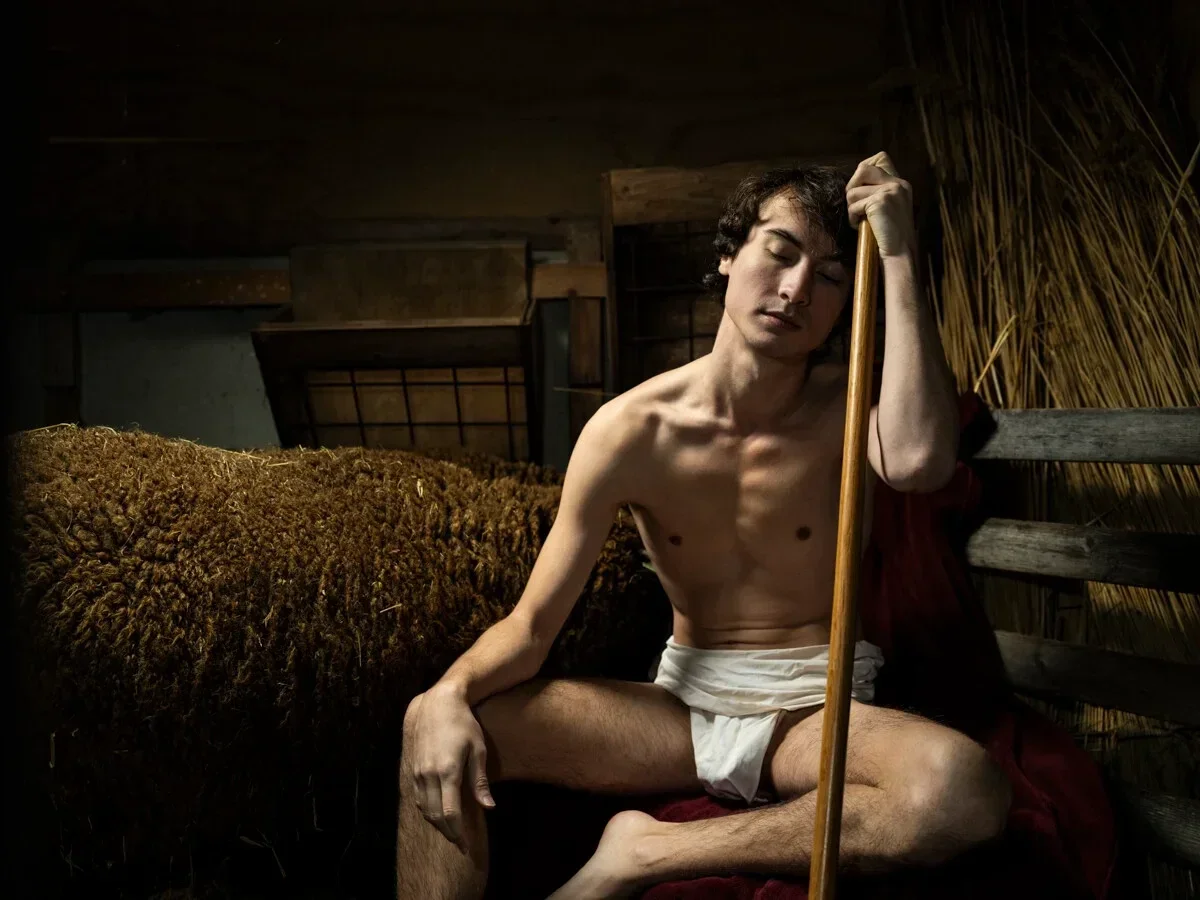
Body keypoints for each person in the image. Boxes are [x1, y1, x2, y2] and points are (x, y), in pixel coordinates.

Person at [396, 152, 1012, 899]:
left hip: (812, 711)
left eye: (829, 276)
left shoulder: (852, 404)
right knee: (439, 733)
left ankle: (647, 852)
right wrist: (447, 693)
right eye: (779, 252)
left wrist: (900, 251)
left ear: (845, 305)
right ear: (728, 255)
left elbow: (918, 463)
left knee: (959, 789)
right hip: (678, 713)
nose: (795, 289)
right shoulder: (629, 430)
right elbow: (531, 627)